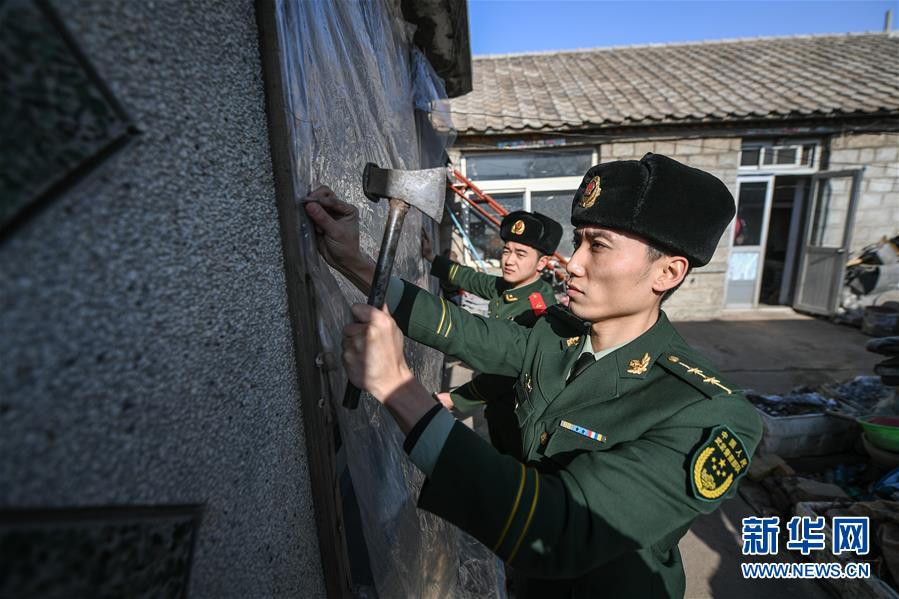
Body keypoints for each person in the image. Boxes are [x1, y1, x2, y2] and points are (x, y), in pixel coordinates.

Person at [304, 153, 762, 598]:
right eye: (579, 241)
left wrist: (399, 388)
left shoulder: (709, 412)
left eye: (598, 245)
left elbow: (559, 530)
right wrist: (355, 261)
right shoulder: (555, 333)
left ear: (667, 271)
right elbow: (463, 331)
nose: (573, 264)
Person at [422, 211, 562, 454]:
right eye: (507, 250)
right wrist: (432, 258)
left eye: (520, 254)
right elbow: (473, 279)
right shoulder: (509, 286)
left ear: (541, 263)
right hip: (497, 408)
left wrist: (454, 399)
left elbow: (505, 375)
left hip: (521, 416)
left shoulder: (540, 310)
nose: (508, 260)